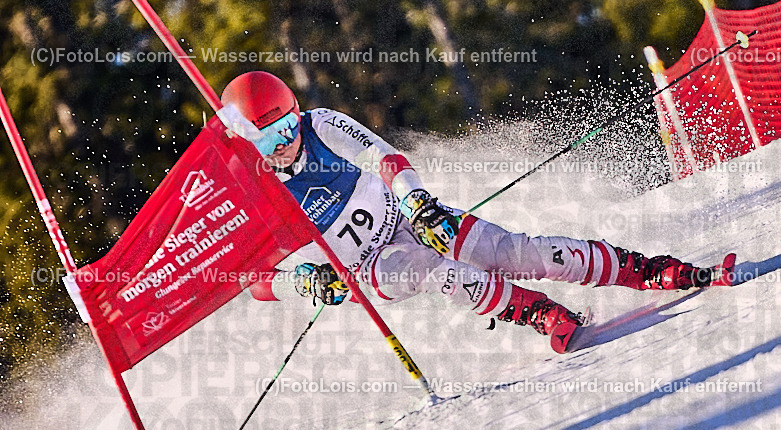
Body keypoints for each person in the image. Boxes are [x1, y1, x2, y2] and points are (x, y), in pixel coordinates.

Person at [227, 71, 723, 353]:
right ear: (250, 141)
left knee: (520, 252)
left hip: (404, 218)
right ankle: (543, 315)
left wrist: (418, 204)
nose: (287, 141)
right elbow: (252, 278)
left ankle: (656, 271)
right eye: (269, 137)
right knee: (432, 272)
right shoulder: (255, 188)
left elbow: (385, 158)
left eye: (287, 124)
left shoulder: (320, 125)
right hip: (364, 269)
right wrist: (306, 282)